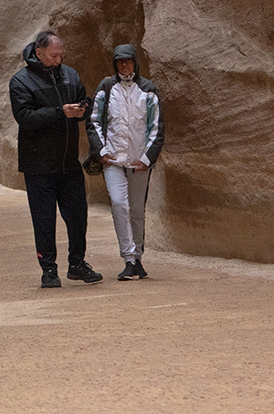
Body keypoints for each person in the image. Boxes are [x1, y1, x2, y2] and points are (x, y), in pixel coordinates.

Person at [9, 29, 102, 287]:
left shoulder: (70, 75)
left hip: (68, 163)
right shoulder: (21, 81)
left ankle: (77, 264)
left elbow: (84, 99)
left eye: (61, 55)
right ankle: (49, 269)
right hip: (38, 166)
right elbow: (25, 118)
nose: (58, 60)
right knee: (44, 219)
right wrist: (61, 112)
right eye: (53, 55)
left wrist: (82, 108)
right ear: (39, 53)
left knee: (78, 215)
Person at [87, 43, 164, 280]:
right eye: (120, 61)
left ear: (135, 62)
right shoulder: (106, 88)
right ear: (115, 63)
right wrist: (101, 151)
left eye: (128, 60)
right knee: (119, 205)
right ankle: (128, 258)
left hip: (139, 163)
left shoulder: (148, 90)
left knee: (137, 211)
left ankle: (138, 259)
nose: (124, 65)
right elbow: (94, 121)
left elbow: (156, 127)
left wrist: (147, 159)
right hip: (113, 161)